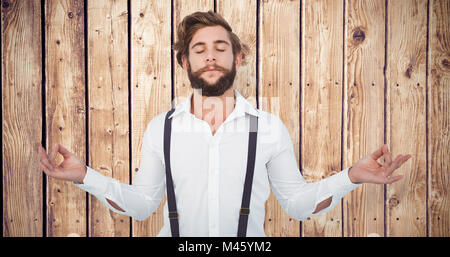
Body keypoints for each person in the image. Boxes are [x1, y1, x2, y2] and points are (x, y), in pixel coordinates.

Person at [38, 11, 411, 237]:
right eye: (199, 50)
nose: (210, 57)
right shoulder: (161, 128)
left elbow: (297, 205)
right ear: (185, 63)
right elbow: (141, 206)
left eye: (220, 47)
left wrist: (352, 176)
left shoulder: (267, 127)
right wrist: (84, 174)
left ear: (238, 57)